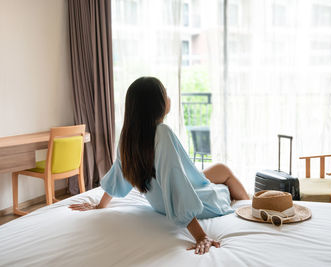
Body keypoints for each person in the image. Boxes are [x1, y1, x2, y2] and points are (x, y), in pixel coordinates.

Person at [69, 77, 249, 255]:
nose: (169, 98)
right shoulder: (162, 133)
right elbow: (174, 180)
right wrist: (200, 235)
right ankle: (249, 205)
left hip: (160, 203)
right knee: (224, 175)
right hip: (198, 202)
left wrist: (101, 205)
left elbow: (119, 173)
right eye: (165, 94)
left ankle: (248, 202)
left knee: (219, 169)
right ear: (156, 104)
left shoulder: (128, 136)